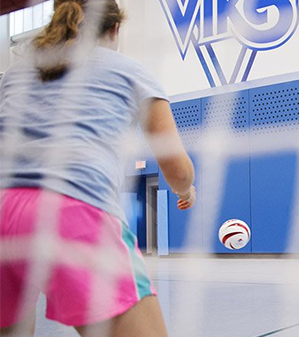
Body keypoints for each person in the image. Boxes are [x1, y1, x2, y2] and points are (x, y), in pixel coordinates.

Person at [0, 0, 195, 336]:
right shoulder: (129, 70)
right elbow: (176, 166)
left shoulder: (17, 72)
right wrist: (185, 190)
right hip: (73, 214)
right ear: (115, 29)